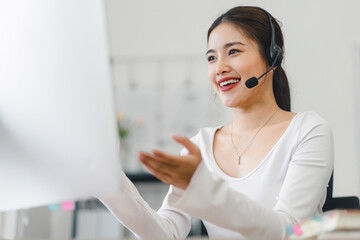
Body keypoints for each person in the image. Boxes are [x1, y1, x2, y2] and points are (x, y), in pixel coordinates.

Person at [99, 6, 333, 240]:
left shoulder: (308, 131)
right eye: (212, 57)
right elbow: (166, 234)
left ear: (272, 57)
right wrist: (108, 180)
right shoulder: (199, 146)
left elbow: (287, 230)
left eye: (233, 52)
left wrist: (205, 189)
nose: (219, 68)